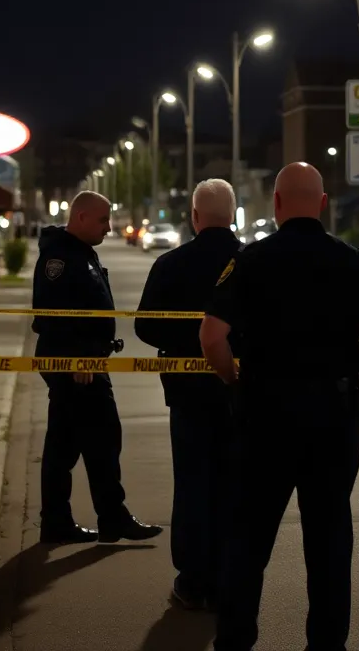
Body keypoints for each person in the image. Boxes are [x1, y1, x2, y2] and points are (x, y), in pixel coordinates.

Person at [199, 162, 359, 651]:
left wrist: (234, 382)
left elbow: (211, 336)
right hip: (334, 419)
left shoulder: (250, 261)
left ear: (275, 204)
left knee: (247, 541)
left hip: (265, 416)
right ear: (322, 204)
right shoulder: (354, 262)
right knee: (330, 540)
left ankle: (235, 641)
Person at [32, 190, 163, 545]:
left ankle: (61, 521)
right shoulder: (59, 258)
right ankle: (111, 518)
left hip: (85, 361)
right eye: (103, 220)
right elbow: (51, 315)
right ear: (81, 218)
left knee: (66, 444)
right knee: (101, 439)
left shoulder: (80, 252)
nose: (109, 227)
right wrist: (79, 357)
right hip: (76, 365)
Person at [135, 178, 241, 610]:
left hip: (187, 395)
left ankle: (194, 579)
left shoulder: (171, 264)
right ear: (232, 215)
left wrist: (183, 343)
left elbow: (145, 325)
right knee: (237, 484)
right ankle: (234, 576)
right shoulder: (251, 262)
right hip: (242, 393)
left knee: (194, 483)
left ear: (195, 216)